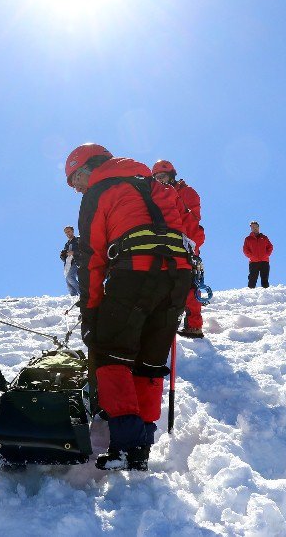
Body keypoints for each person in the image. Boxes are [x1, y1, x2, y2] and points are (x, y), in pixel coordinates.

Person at [65, 143, 199, 472]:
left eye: (74, 179)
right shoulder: (156, 185)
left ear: (86, 169)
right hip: (177, 277)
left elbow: (92, 259)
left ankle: (126, 442)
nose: (76, 187)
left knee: (110, 353)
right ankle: (142, 446)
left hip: (134, 273)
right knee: (149, 361)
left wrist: (91, 313)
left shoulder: (98, 193)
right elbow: (186, 229)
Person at [152, 159, 206, 339]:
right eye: (157, 177)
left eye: (163, 176)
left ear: (172, 175)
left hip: (186, 243)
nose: (160, 179)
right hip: (165, 243)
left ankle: (194, 326)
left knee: (189, 288)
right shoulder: (156, 194)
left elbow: (192, 221)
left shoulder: (187, 192)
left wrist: (190, 246)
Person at [243, 221, 273, 288]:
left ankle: (266, 292)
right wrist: (251, 256)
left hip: (264, 261)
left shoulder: (264, 237)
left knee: (265, 277)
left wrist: (266, 255)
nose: (254, 228)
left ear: (258, 227)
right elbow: (245, 250)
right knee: (252, 278)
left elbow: (270, 247)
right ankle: (250, 292)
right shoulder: (248, 239)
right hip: (253, 262)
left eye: (255, 226)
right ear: (251, 228)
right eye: (252, 227)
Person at [60, 226, 81, 297]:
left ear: (72, 231)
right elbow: (65, 258)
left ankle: (83, 294)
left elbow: (83, 251)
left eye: (68, 231)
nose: (67, 233)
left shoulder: (78, 240)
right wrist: (63, 256)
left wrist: (73, 252)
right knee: (68, 282)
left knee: (70, 277)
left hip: (77, 262)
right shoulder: (66, 244)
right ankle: (73, 297)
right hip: (69, 265)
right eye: (66, 232)